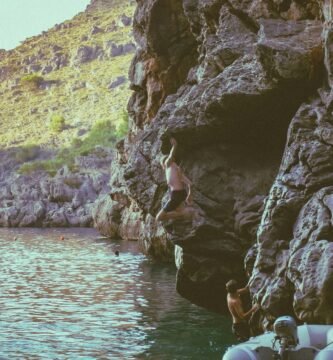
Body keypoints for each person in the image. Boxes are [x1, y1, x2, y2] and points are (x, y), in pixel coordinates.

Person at [156, 137, 194, 221]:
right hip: (178, 194)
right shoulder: (176, 170)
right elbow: (190, 184)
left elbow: (170, 156)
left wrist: (174, 145)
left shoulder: (169, 165)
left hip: (177, 195)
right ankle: (186, 213)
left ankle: (185, 213)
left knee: (159, 217)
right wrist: (189, 195)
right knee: (174, 213)